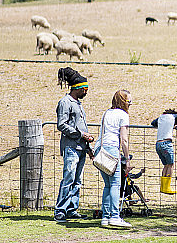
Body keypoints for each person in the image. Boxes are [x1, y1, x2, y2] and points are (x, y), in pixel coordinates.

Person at [54, 67, 95, 223]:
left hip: (81, 147)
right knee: (68, 178)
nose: (86, 92)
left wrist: (88, 146)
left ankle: (72, 209)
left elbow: (80, 126)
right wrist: (81, 135)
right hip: (71, 147)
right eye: (85, 89)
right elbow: (62, 125)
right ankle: (60, 210)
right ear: (78, 88)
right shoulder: (65, 103)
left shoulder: (78, 103)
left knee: (77, 181)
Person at [94, 89, 133, 228]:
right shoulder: (123, 115)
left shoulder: (107, 112)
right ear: (123, 101)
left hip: (100, 148)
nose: (130, 104)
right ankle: (115, 216)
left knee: (108, 185)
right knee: (116, 184)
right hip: (111, 149)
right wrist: (127, 159)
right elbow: (124, 140)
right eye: (129, 101)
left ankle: (105, 217)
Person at [151, 109, 177, 194]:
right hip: (166, 143)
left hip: (158, 144)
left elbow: (153, 123)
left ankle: (163, 187)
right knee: (170, 165)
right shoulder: (173, 116)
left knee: (166, 165)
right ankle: (167, 187)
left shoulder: (160, 118)